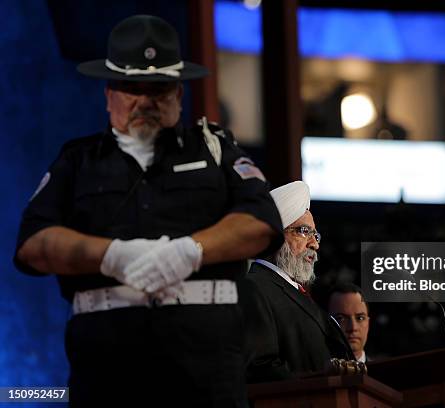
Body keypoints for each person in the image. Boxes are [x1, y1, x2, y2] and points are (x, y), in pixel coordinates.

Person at [13, 15, 282, 406]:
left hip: (206, 370)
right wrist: (111, 256)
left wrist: (191, 250)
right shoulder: (78, 161)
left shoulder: (214, 149)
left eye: (157, 89)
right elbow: (34, 243)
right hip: (106, 368)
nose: (145, 101)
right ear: (108, 95)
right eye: (130, 88)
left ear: (178, 93)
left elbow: (261, 221)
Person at [240, 181, 354, 383]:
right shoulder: (254, 288)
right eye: (304, 231)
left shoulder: (297, 292)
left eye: (315, 234)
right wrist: (320, 382)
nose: (315, 244)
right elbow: (260, 368)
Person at [328, 283, 370, 363]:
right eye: (341, 318)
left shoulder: (382, 374)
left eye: (360, 318)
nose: (353, 328)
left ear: (368, 323)